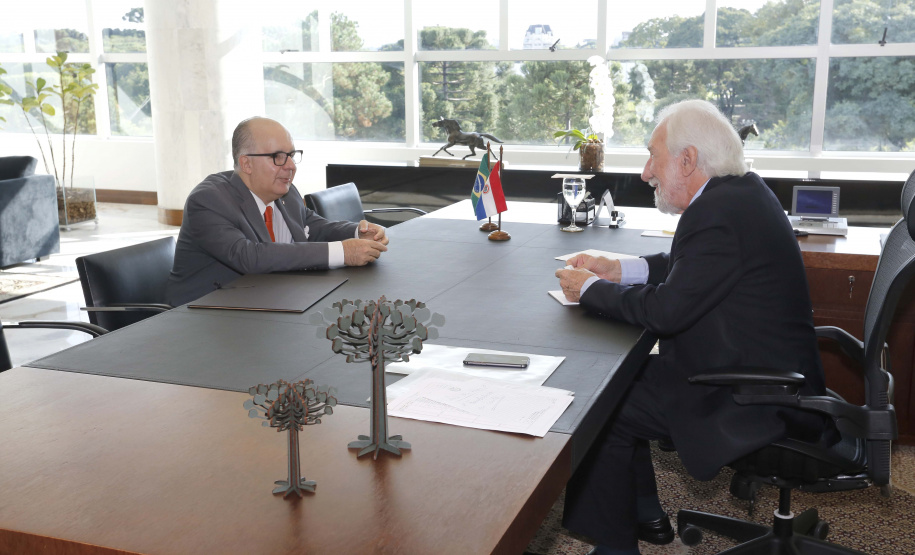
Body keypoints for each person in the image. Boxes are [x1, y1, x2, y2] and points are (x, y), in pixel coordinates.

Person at [554, 100, 830, 555]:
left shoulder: (717, 213)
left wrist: (588, 290)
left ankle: (615, 547)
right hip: (765, 370)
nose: (646, 172)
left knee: (598, 404)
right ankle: (645, 515)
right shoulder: (739, 194)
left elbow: (666, 312)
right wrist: (618, 269)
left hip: (756, 396)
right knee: (620, 385)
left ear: (687, 160)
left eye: (652, 156)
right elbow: (689, 267)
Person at [166, 117, 389, 306]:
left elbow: (312, 226)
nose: (290, 165)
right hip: (204, 314)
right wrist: (342, 252)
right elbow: (249, 256)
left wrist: (356, 232)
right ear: (246, 164)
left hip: (266, 303)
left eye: (291, 155)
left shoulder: (287, 192)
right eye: (278, 157)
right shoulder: (209, 200)